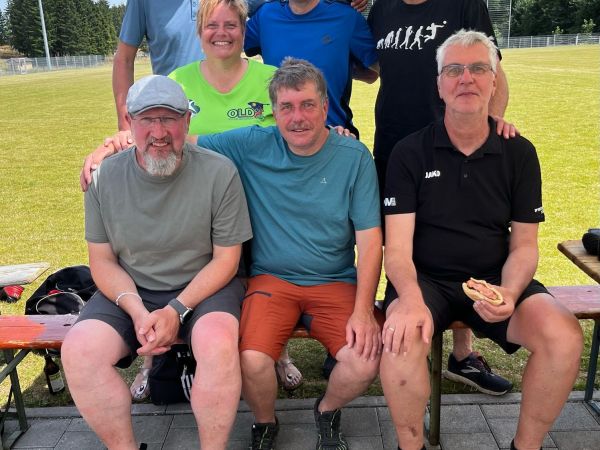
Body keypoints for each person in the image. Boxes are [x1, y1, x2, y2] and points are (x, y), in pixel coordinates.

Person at [380, 30, 583, 450]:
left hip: (495, 279)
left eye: (478, 68)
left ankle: (525, 446)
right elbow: (396, 251)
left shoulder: (519, 152)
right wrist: (411, 301)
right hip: (426, 282)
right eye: (454, 70)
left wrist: (509, 291)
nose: (466, 78)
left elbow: (524, 245)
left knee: (563, 335)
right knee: (400, 340)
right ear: (439, 85)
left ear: (494, 81)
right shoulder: (409, 152)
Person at [198, 58, 383, 450]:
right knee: (252, 360)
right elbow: (184, 141)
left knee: (365, 360)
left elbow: (370, 241)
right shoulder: (253, 144)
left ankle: (327, 410)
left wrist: (364, 310)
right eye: (286, 107)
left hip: (334, 280)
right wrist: (116, 143)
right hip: (272, 280)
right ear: (274, 111)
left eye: (307, 105)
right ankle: (265, 422)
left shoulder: (354, 157)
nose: (297, 117)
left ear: (325, 106)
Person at [62, 75, 253, 450]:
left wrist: (176, 310)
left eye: (170, 118)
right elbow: (102, 262)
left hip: (205, 286)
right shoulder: (104, 178)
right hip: (131, 289)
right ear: (129, 123)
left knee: (217, 345)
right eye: (148, 119)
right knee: (79, 351)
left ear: (187, 121)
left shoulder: (219, 172)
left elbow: (227, 261)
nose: (159, 132)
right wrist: (137, 312)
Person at [367, 0, 514, 394]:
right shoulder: (381, 9)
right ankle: (405, 322)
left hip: (454, 147)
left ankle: (462, 355)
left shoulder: (464, 4)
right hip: (395, 147)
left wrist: (488, 132)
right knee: (399, 240)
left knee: (461, 238)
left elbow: (494, 70)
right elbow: (373, 68)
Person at [244, 0, 379, 138]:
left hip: (333, 134)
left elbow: (375, 72)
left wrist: (341, 66)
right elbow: (231, 42)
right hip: (279, 137)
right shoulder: (266, 15)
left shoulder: (346, 17)